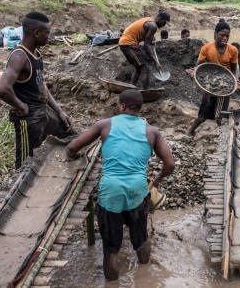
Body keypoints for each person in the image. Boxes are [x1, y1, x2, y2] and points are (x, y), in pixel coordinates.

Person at [65, 90, 175, 281]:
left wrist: (73, 157)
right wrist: (156, 180)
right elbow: (170, 165)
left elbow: (73, 147)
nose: (116, 107)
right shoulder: (151, 131)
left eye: (117, 104)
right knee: (141, 239)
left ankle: (112, 283)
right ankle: (145, 277)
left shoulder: (105, 125)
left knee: (111, 250)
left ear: (122, 106)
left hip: (111, 192)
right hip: (138, 191)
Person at [0, 12, 76, 169]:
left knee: (71, 134)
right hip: (28, 120)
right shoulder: (20, 57)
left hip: (43, 112)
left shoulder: (36, 53)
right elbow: (1, 89)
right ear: (37, 33)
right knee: (25, 164)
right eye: (47, 33)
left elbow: (41, 85)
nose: (49, 37)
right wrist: (21, 106)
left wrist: (59, 111)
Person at [187, 19, 239, 136]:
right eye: (222, 35)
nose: (225, 38)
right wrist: (194, 73)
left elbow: (234, 70)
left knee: (221, 114)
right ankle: (191, 130)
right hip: (210, 85)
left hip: (225, 87)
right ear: (215, 34)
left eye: (227, 36)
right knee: (203, 113)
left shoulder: (233, 50)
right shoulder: (206, 48)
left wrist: (235, 80)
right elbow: (198, 66)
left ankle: (221, 136)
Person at [118, 9, 170, 89]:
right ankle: (146, 91)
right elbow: (147, 45)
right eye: (165, 22)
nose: (164, 25)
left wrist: (150, 38)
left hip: (126, 43)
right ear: (161, 19)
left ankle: (131, 87)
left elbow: (144, 37)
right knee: (144, 68)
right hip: (129, 44)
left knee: (139, 67)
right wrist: (155, 61)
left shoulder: (149, 20)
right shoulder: (153, 26)